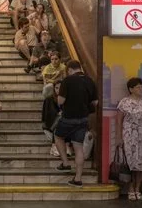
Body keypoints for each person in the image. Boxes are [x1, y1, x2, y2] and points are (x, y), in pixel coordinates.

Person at [54, 60, 98, 188]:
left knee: (58, 136)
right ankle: (78, 179)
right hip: (83, 119)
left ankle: (66, 163)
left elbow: (61, 101)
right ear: (80, 68)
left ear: (69, 70)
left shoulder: (68, 80)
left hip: (68, 117)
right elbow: (95, 102)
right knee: (78, 147)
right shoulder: (90, 81)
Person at [116, 77, 142, 200]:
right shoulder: (124, 102)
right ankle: (130, 188)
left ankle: (138, 188)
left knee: (141, 163)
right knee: (130, 163)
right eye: (138, 87)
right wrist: (119, 137)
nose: (141, 89)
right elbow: (119, 120)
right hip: (129, 134)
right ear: (131, 89)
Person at [41, 81, 72, 157]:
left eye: (60, 88)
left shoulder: (68, 98)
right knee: (60, 121)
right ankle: (55, 146)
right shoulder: (49, 99)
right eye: (56, 88)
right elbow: (48, 114)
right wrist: (58, 114)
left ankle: (66, 146)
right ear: (54, 89)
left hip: (65, 122)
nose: (58, 90)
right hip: (52, 123)